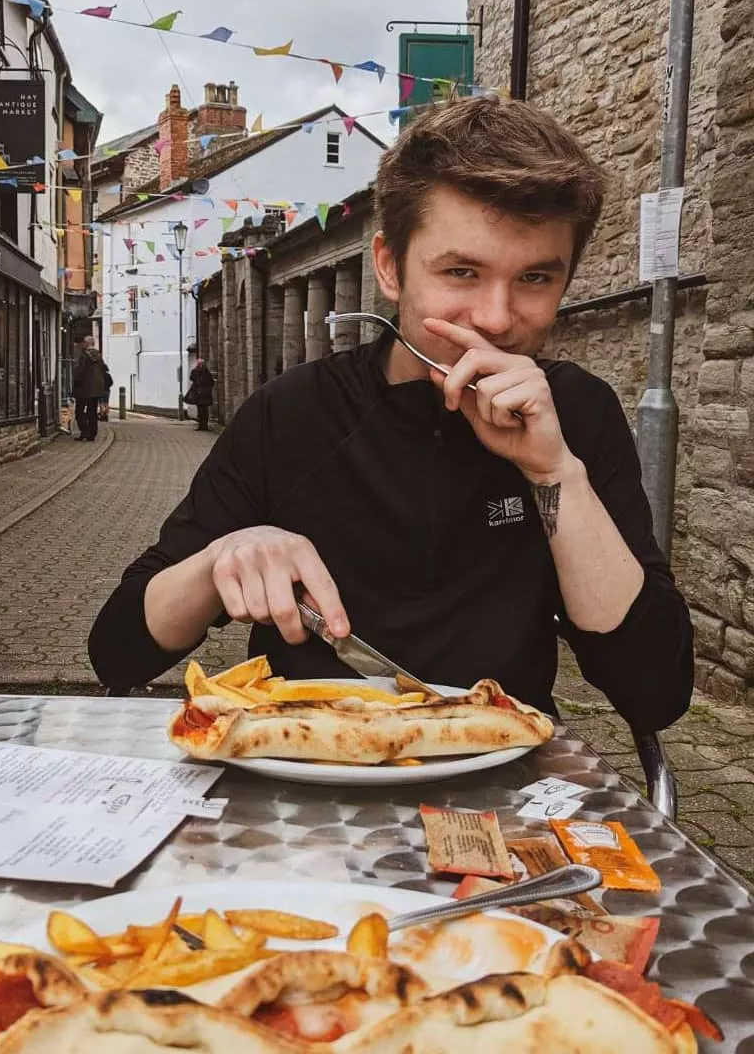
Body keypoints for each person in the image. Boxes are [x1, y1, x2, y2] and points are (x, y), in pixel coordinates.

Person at [88, 97, 693, 736]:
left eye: (536, 278)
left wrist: (554, 472)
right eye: (461, 271)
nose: (495, 316)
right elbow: (119, 650)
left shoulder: (578, 412)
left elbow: (654, 690)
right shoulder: (292, 413)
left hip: (498, 780)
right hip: (305, 769)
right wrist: (217, 561)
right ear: (389, 267)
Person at [71, 334, 109, 441]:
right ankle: (92, 434)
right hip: (96, 390)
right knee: (92, 412)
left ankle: (85, 432)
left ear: (86, 343)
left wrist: (75, 382)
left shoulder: (84, 356)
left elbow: (80, 372)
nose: (82, 343)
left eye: (84, 342)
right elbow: (105, 370)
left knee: (79, 412)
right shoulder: (98, 355)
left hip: (83, 389)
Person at [186, 359, 216, 430]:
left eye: (201, 364)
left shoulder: (206, 372)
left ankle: (204, 425)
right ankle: (201, 425)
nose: (200, 365)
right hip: (199, 394)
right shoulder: (195, 371)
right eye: (199, 364)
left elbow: (211, 382)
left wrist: (207, 388)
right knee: (200, 410)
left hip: (204, 395)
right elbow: (192, 378)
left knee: (204, 410)